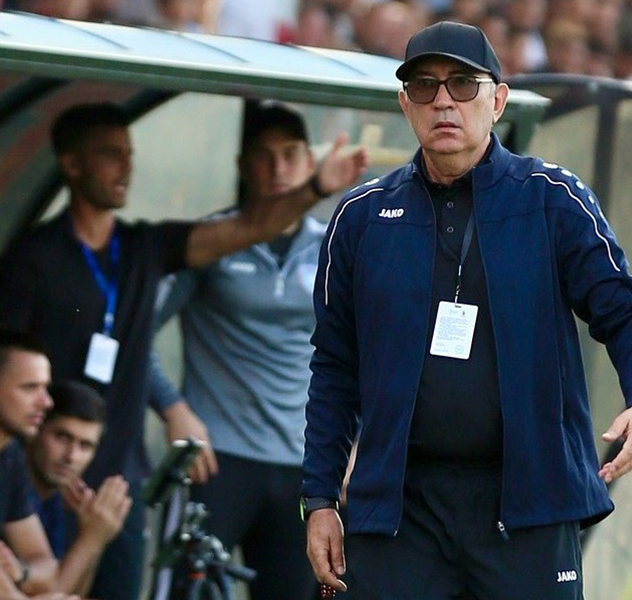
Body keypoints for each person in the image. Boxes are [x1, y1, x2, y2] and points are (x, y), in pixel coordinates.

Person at [302, 21, 632, 599]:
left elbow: (627, 313)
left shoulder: (552, 199)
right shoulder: (361, 217)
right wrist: (320, 498)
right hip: (402, 511)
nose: (443, 101)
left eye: (462, 84)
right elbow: (333, 369)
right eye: (424, 86)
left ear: (497, 101)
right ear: (404, 105)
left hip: (526, 505)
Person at [0, 102, 367, 600]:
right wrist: (174, 408)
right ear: (71, 163)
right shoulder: (32, 257)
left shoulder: (143, 248)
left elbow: (249, 229)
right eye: (109, 154)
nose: (126, 166)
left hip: (124, 481)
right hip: (55, 474)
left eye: (128, 154)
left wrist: (316, 190)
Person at [147, 104, 322, 600]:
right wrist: (174, 410)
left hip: (304, 465)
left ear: (311, 163)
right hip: (216, 460)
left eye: (291, 154)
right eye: (263, 156)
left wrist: (352, 444)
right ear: (243, 167)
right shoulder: (211, 243)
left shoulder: (336, 245)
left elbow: (366, 353)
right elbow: (134, 334)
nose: (278, 169)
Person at [26, 380, 131, 596]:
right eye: (62, 437)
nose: (71, 457)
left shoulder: (55, 500)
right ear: (36, 430)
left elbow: (73, 594)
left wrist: (93, 538)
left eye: (85, 446)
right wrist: (91, 539)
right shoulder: (13, 488)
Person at [0, 330, 58, 598]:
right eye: (29, 388)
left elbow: (47, 568)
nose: (46, 402)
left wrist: (21, 571)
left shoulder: (9, 455)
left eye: (45, 388)